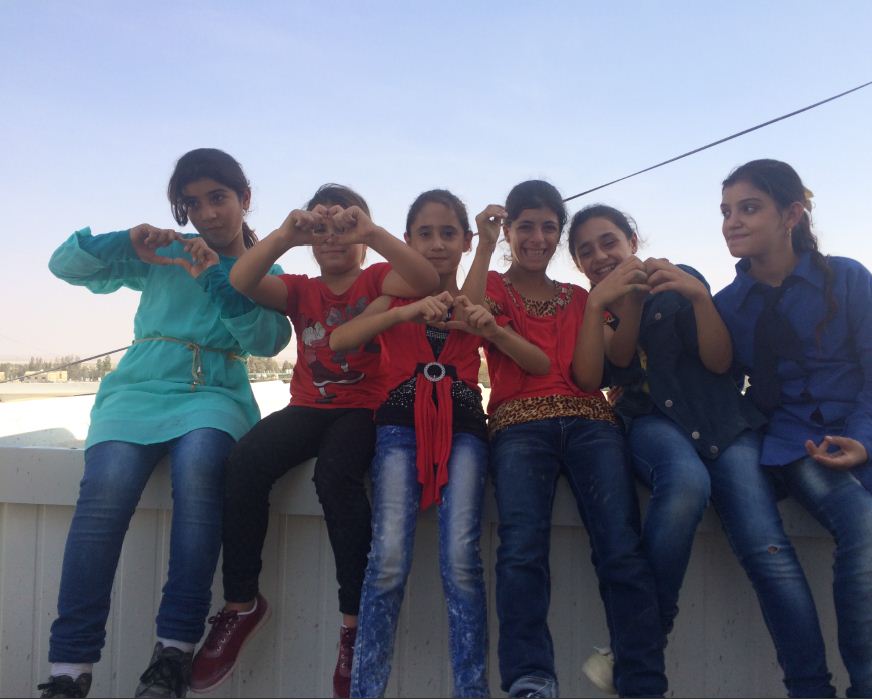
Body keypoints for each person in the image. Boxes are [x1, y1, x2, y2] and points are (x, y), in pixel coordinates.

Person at [39, 148, 292, 699]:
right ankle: (68, 667)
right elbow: (64, 265)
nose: (206, 214)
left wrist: (215, 279)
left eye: (218, 198)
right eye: (192, 203)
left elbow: (269, 341)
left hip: (213, 393)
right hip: (138, 390)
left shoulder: (261, 266)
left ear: (244, 199)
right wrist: (124, 243)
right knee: (102, 495)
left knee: (201, 469)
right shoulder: (166, 252)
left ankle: (174, 651)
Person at [568, 204, 836, 697]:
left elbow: (720, 362)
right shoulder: (597, 308)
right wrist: (624, 300)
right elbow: (619, 361)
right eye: (585, 252)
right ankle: (645, 643)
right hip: (653, 422)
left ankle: (811, 687)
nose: (600, 256)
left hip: (722, 421)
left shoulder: (681, 279)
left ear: (631, 240)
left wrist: (697, 297)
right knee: (686, 483)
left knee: (768, 548)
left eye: (609, 242)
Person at [188, 184, 439, 698]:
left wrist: (369, 230)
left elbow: (424, 277)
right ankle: (241, 603)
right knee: (244, 463)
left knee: (336, 475)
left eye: (346, 231)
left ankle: (355, 622)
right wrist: (286, 234)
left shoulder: (376, 278)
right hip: (307, 407)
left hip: (366, 409)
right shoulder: (301, 289)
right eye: (321, 231)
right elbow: (239, 281)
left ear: (364, 240)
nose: (333, 239)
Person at [714, 158, 872, 697]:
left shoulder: (849, 279)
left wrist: (867, 437)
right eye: (725, 212)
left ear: (791, 214)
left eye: (748, 208)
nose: (731, 223)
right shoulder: (727, 307)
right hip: (799, 445)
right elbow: (714, 386)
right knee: (869, 532)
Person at [328, 190, 549, 697]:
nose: (436, 244)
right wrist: (402, 316)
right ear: (406, 241)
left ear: (465, 240)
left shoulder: (478, 298)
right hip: (399, 429)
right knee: (386, 559)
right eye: (424, 234)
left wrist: (490, 246)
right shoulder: (395, 295)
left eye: (449, 233)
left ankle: (471, 691)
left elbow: (472, 307)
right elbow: (341, 341)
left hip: (466, 429)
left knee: (461, 561)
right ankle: (366, 690)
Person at [483, 180, 667, 698]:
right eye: (525, 227)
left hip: (591, 421)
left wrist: (626, 300)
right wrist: (481, 242)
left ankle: (642, 681)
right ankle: (529, 677)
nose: (536, 237)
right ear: (509, 233)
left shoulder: (580, 296)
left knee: (620, 546)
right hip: (518, 423)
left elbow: (611, 363)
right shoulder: (496, 287)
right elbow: (469, 311)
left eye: (548, 227)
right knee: (521, 547)